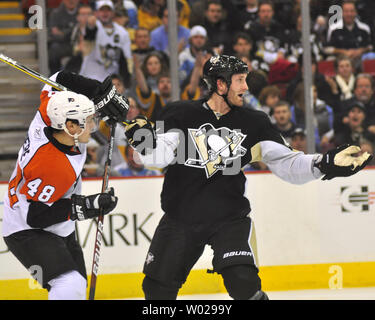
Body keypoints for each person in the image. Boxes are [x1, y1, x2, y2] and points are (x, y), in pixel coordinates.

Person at [123, 55, 372, 300]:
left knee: (243, 283)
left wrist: (324, 164)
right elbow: (157, 158)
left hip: (228, 219)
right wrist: (145, 144)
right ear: (220, 85)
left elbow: (287, 163)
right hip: (180, 217)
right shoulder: (180, 113)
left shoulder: (254, 122)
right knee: (157, 291)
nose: (246, 87)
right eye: (240, 80)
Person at [2, 70, 129, 299]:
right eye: (89, 120)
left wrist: (99, 91)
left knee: (77, 288)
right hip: (26, 230)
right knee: (69, 284)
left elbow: (59, 78)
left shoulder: (48, 113)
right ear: (71, 126)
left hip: (58, 225)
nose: (93, 125)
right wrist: (86, 206)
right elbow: (36, 216)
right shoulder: (53, 166)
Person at [79, 0, 132, 84]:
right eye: (101, 10)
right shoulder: (93, 26)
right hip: (89, 78)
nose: (105, 13)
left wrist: (126, 81)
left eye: (108, 10)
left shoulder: (123, 33)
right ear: (96, 13)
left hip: (111, 82)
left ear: (113, 13)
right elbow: (89, 34)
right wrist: (90, 25)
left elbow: (127, 59)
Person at [48, 0, 80, 74]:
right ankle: (54, 78)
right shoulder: (55, 13)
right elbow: (54, 34)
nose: (71, 1)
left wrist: (63, 32)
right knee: (54, 49)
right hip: (63, 45)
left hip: (80, 43)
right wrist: (72, 30)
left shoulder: (83, 11)